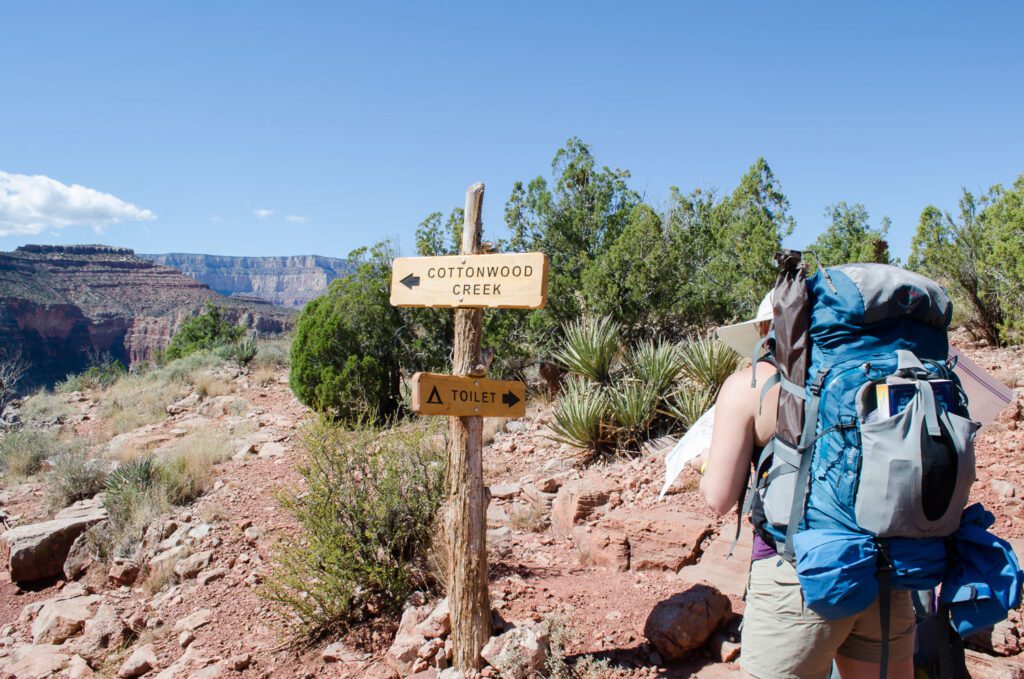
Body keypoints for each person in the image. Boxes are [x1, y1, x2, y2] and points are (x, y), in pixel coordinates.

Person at [699, 302, 916, 679]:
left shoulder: (752, 383)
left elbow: (718, 498)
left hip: (797, 578)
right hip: (887, 573)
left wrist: (703, 462)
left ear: (767, 326)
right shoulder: (887, 376)